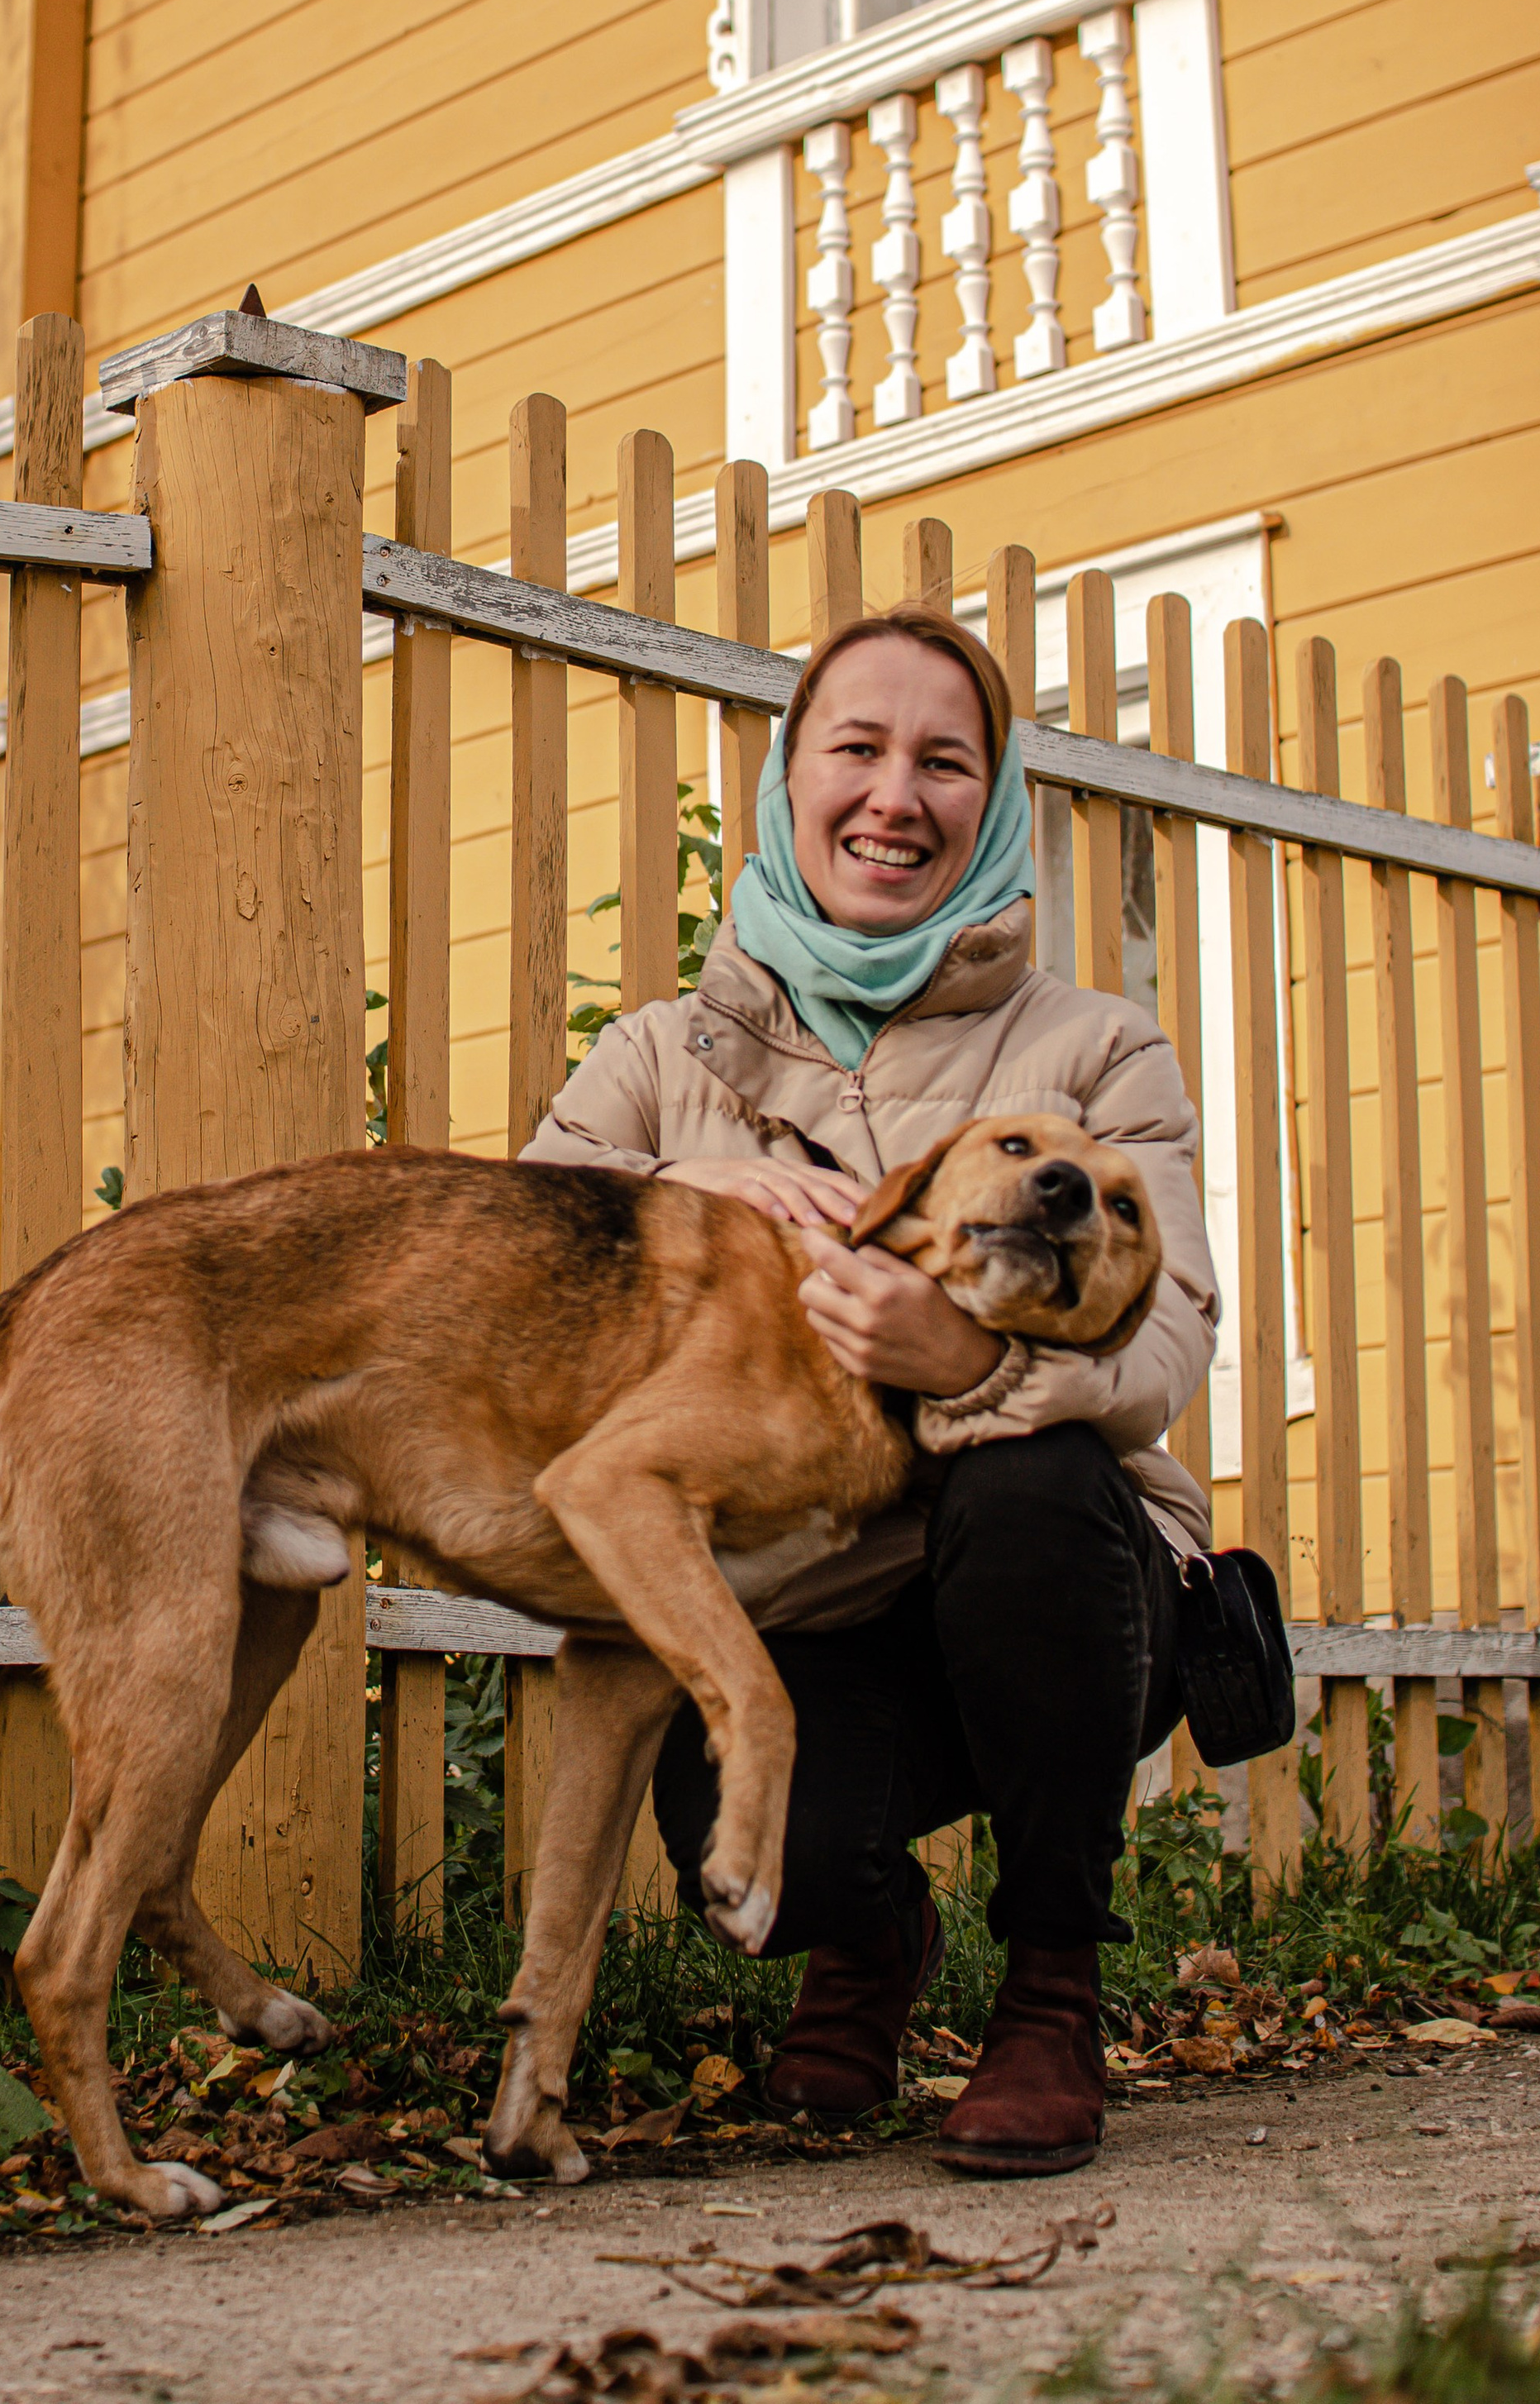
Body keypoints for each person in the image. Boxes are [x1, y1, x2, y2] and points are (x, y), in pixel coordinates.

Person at [520, 597, 1217, 2177]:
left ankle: (1050, 1991)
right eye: (858, 748)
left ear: (999, 802)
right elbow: (509, 1274)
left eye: (946, 761)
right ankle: (872, 1936)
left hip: (1069, 1590)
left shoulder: (1099, 1050)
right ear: (789, 782)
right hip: (807, 1608)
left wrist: (965, 1362)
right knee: (753, 1843)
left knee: (1034, 1486)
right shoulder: (655, 1055)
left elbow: (1165, 1345)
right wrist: (674, 1182)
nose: (897, 795)